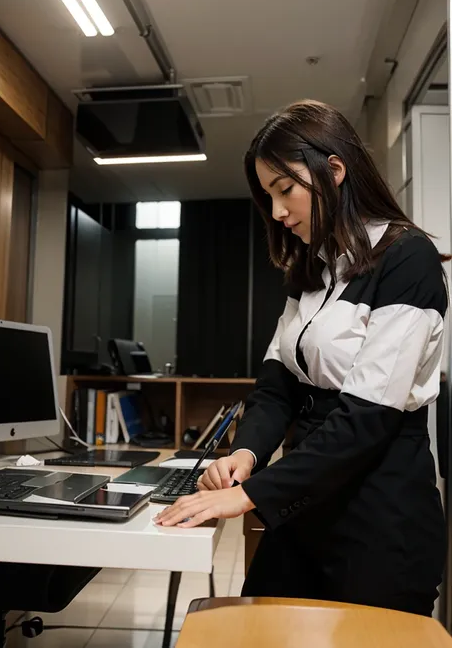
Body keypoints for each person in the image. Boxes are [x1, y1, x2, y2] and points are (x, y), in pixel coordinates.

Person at [155, 100, 448, 616]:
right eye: (268, 196)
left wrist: (249, 496)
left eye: (284, 190)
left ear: (333, 171)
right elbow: (278, 386)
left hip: (379, 519)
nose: (277, 213)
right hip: (305, 507)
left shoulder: (408, 258)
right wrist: (246, 455)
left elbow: (368, 419)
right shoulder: (313, 268)